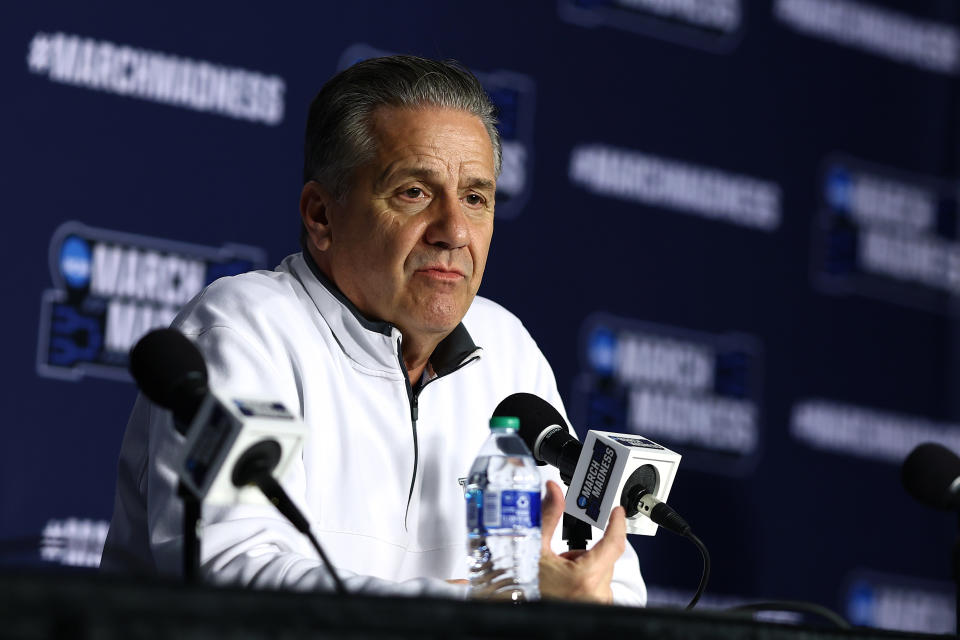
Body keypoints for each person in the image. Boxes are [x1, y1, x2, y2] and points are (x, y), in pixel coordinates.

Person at [101, 55, 646, 605]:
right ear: (320, 215)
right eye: (414, 192)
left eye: (476, 198)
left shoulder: (507, 350)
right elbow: (234, 574)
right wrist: (488, 607)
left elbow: (611, 578)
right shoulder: (247, 331)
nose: (454, 230)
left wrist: (580, 601)